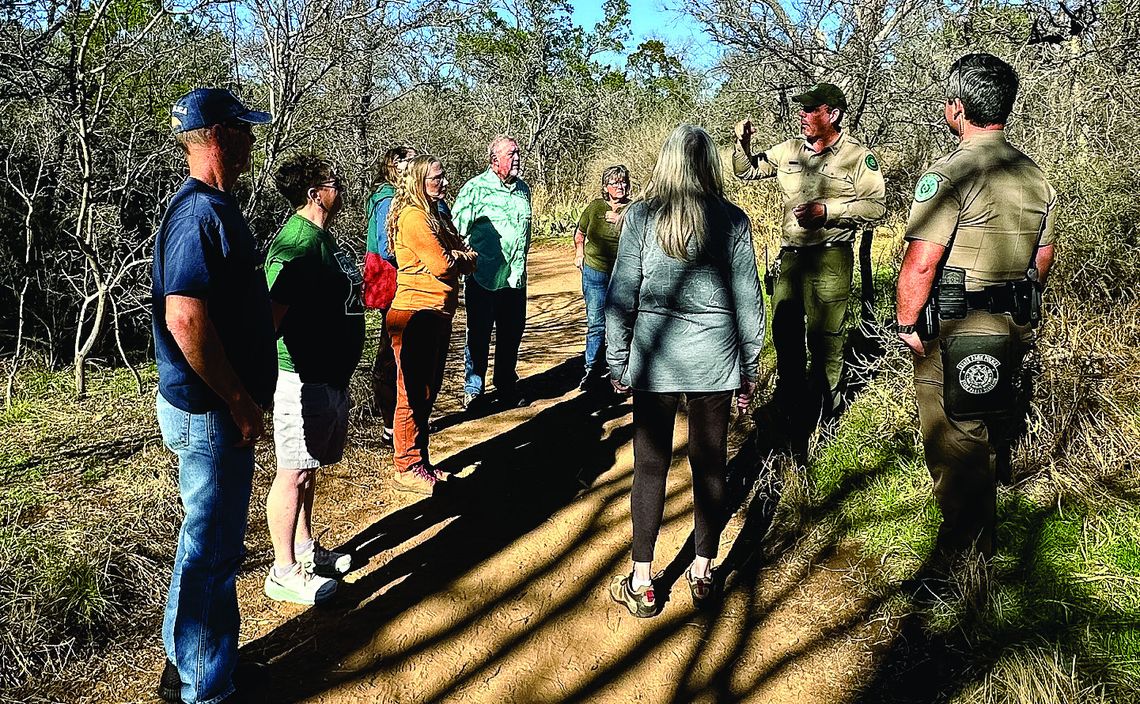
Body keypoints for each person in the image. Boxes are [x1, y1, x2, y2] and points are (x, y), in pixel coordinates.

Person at [896, 53, 1056, 564]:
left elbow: (921, 262)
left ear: (959, 108)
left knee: (954, 436)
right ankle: (978, 533)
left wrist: (907, 324)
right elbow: (1042, 257)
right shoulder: (1034, 176)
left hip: (956, 327)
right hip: (1011, 323)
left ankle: (966, 558)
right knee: (987, 423)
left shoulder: (951, 173)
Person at [606, 125, 765, 617]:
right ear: (710, 164)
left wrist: (617, 360)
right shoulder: (732, 220)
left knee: (650, 466)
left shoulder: (641, 216)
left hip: (655, 358)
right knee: (710, 463)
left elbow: (621, 294)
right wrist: (750, 365)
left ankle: (642, 581)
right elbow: (748, 300)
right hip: (715, 360)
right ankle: (703, 569)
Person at [152, 88, 275, 704]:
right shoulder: (198, 213)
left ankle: (190, 661)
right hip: (210, 413)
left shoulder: (211, 207)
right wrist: (237, 399)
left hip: (211, 410)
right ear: (221, 136)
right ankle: (206, 686)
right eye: (244, 130)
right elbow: (184, 317)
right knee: (214, 550)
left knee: (203, 544)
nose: (252, 140)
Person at [733, 83, 885, 431]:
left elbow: (877, 206)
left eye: (811, 109)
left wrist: (828, 211)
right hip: (790, 258)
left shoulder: (858, 156)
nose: (802, 114)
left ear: (833, 115)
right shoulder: (789, 149)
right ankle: (790, 407)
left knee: (826, 339)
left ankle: (824, 415)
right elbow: (746, 171)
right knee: (785, 332)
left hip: (831, 257)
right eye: (802, 108)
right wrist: (742, 145)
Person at [261, 154, 365, 605]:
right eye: (333, 182)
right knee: (293, 472)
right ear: (314, 194)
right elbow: (268, 320)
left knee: (309, 468)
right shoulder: (297, 245)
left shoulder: (322, 238)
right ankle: (283, 571)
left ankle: (305, 549)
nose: (340, 188)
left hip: (328, 376)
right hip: (299, 379)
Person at [387, 155, 478, 493]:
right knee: (411, 393)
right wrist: (460, 257)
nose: (445, 183)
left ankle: (419, 461)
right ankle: (407, 465)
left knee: (426, 392)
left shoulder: (434, 214)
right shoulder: (413, 217)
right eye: (437, 178)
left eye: (443, 176)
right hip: (415, 315)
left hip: (435, 313)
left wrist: (459, 256)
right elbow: (443, 264)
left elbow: (462, 254)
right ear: (418, 182)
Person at [453, 135, 532, 410]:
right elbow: (455, 231)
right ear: (494, 159)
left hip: (515, 277)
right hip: (482, 277)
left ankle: (506, 383)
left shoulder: (523, 190)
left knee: (511, 333)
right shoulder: (474, 189)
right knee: (479, 335)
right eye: (511, 154)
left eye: (518, 153)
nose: (517, 158)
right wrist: (465, 261)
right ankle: (474, 389)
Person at [364, 145, 417, 444]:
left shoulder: (400, 195)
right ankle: (391, 425)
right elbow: (387, 247)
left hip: (398, 282)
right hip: (391, 282)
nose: (414, 164)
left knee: (399, 350)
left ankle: (400, 421)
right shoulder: (387, 198)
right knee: (391, 353)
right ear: (394, 165)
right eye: (409, 160)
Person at [573, 165, 631, 392]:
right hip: (595, 271)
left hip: (622, 273)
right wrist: (579, 253)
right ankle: (592, 370)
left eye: (623, 182)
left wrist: (621, 220)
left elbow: (642, 236)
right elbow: (580, 233)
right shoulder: (595, 207)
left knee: (622, 323)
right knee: (596, 323)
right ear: (606, 187)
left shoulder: (633, 209)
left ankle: (621, 371)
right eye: (615, 183)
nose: (620, 186)